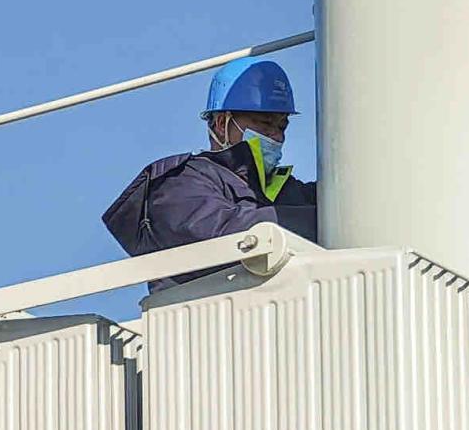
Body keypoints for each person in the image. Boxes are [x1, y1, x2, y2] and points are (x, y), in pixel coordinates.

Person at [103, 59, 319, 289]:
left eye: (282, 126)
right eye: (265, 124)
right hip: (209, 309)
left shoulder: (286, 190)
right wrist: (325, 219)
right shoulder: (179, 183)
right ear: (221, 124)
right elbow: (223, 234)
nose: (276, 136)